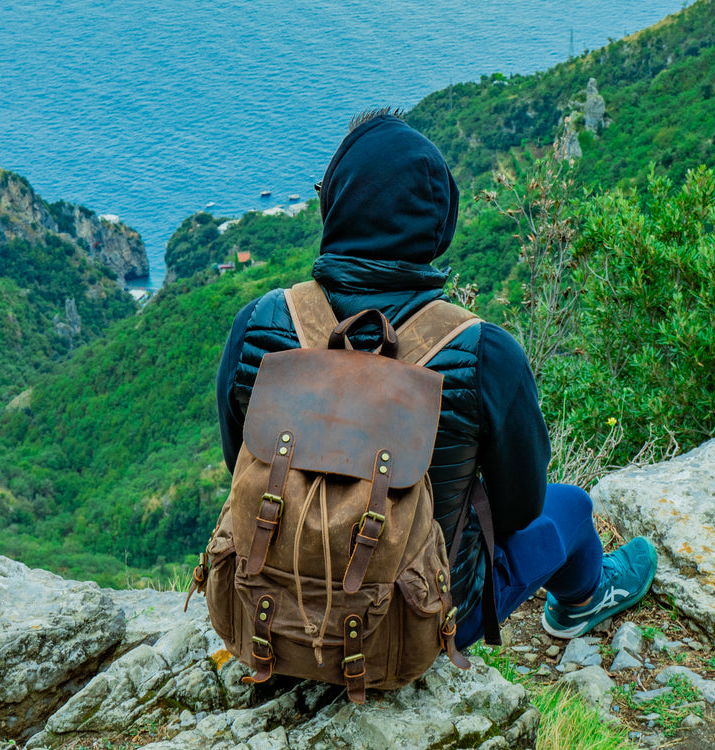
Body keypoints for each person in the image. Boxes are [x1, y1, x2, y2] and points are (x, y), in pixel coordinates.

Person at [215, 109, 657, 647]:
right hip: (411, 626)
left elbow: (239, 463)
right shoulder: (484, 352)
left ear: (335, 203)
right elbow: (523, 509)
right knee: (573, 508)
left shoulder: (258, 326)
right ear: (438, 225)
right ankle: (584, 600)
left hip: (268, 613)